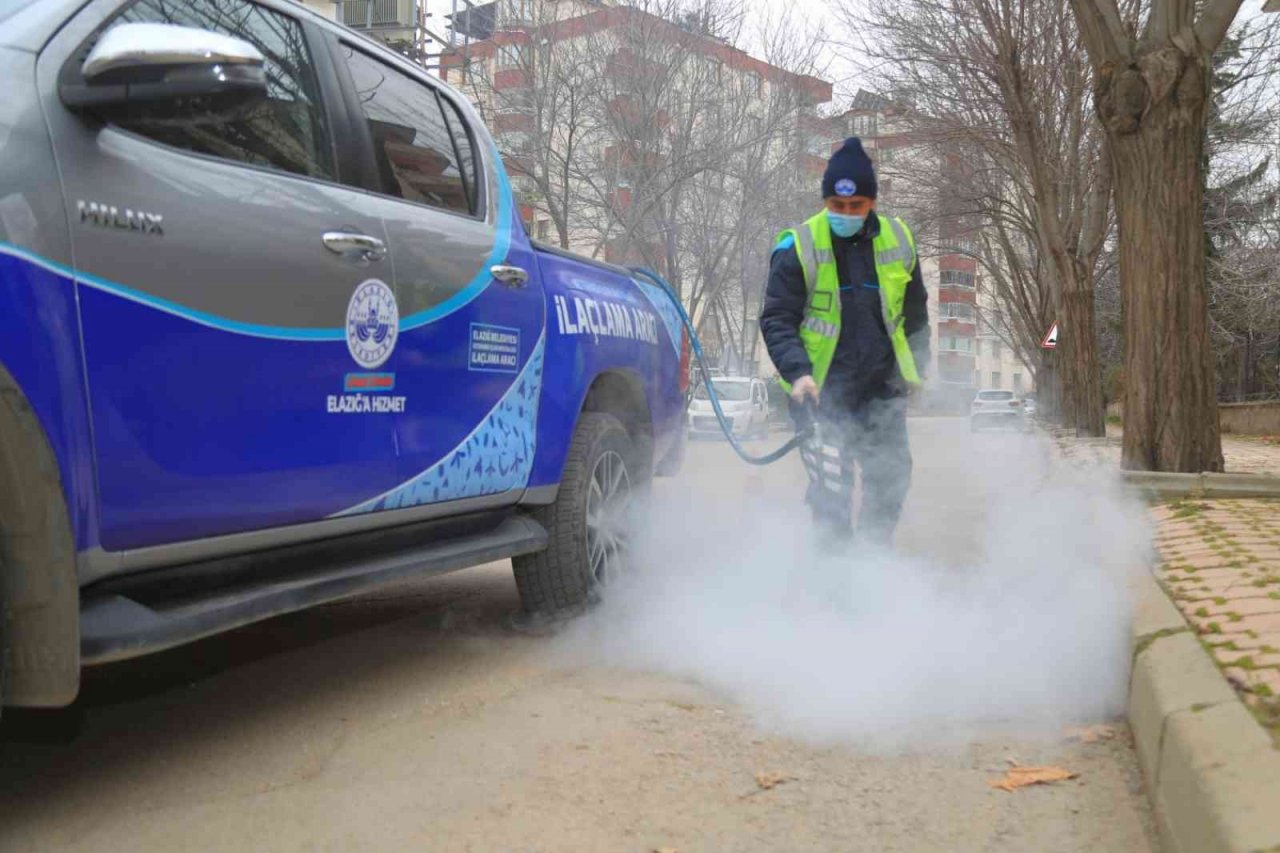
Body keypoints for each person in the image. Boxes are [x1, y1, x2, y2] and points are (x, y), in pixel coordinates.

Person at [760, 137, 930, 546]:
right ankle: (834, 583)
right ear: (826, 201)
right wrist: (797, 374)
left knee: (890, 480)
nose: (847, 214)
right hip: (820, 393)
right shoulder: (799, 245)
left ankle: (872, 564)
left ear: (872, 201)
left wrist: (917, 372)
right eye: (838, 206)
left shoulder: (900, 239)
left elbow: (915, 315)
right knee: (831, 490)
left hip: (881, 390)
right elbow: (778, 318)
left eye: (856, 206)